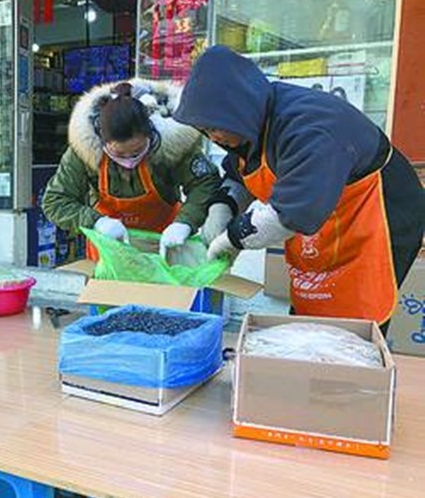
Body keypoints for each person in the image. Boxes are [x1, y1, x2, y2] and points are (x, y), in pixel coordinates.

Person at [174, 45, 425, 326]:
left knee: (354, 320)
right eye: (205, 131)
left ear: (239, 110)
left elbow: (293, 214)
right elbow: (241, 173)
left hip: (374, 212)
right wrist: (223, 206)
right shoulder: (249, 125)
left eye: (214, 128)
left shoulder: (309, 129)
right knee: (312, 302)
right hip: (320, 221)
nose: (213, 137)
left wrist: (233, 238)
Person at [41, 80, 225, 259]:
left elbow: (206, 183)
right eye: (119, 154)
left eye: (137, 151)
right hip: (109, 255)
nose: (129, 160)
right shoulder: (84, 151)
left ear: (151, 134)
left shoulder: (171, 147)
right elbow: (55, 201)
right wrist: (96, 221)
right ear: (102, 141)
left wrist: (185, 222)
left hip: (163, 251)